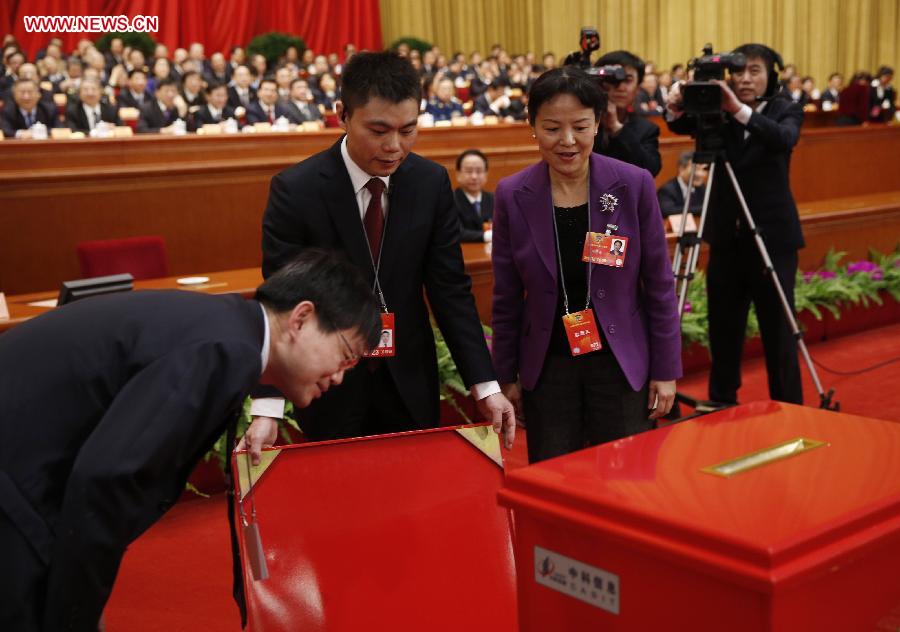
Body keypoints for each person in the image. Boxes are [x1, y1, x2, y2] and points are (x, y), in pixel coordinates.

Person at [0, 250, 382, 632]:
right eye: (345, 357)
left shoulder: (227, 327)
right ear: (301, 318)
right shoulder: (224, 350)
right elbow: (106, 482)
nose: (338, 379)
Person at [249, 51, 515, 451]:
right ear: (341, 114)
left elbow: (449, 289)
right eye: (378, 130)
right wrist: (268, 406)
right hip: (329, 385)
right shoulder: (297, 190)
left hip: (409, 379)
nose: (394, 146)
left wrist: (484, 383)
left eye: (408, 130)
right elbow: (280, 305)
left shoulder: (429, 184)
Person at [491, 66, 681, 464]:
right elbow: (507, 297)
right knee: (556, 476)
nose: (567, 141)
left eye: (579, 126)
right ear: (533, 127)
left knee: (625, 478)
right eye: (552, 128)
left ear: (597, 123)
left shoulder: (633, 184)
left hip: (619, 363)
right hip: (549, 366)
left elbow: (660, 285)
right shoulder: (513, 194)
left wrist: (666, 370)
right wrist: (505, 377)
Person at [665, 43, 804, 406]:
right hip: (727, 236)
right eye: (739, 72)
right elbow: (680, 123)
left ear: (771, 74)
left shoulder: (785, 107)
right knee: (723, 325)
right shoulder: (718, 107)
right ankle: (721, 399)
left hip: (772, 237)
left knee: (778, 329)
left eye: (754, 71)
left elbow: (783, 138)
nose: (744, 78)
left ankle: (788, 404)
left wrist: (737, 110)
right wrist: (676, 102)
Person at [591, 50, 662, 176]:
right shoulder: (584, 124)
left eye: (627, 80)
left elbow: (651, 170)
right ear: (599, 83)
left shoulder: (646, 129)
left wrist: (617, 128)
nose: (621, 87)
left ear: (638, 89)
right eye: (613, 80)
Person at [454, 148, 494, 243]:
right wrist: (487, 236)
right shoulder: (449, 200)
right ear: (458, 174)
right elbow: (455, 232)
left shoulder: (494, 198)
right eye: (469, 171)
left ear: (486, 174)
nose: (474, 176)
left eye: (479, 171)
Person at [657, 151, 709, 217]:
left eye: (704, 169)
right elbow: (668, 211)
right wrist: (703, 209)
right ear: (681, 169)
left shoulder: (701, 187)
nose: (701, 174)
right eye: (696, 169)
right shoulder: (666, 190)